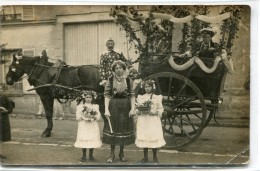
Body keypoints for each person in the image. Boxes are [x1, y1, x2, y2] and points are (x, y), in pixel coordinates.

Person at [103, 60, 135, 163]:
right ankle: (112, 153)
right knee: (113, 128)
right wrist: (106, 109)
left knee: (122, 129)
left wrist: (133, 108)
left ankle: (121, 153)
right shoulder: (111, 80)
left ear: (123, 69)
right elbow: (107, 95)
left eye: (120, 68)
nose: (118, 70)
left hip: (125, 106)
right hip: (114, 106)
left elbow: (132, 95)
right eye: (116, 68)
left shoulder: (128, 80)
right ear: (114, 70)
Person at [135, 80, 166, 164]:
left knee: (153, 136)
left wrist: (155, 113)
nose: (147, 88)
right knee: (145, 137)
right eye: (145, 87)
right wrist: (139, 111)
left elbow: (161, 109)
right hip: (144, 119)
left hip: (153, 120)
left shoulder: (157, 97)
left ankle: (155, 156)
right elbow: (137, 109)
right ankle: (145, 157)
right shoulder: (141, 97)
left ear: (152, 87)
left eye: (149, 87)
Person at [74, 91, 102, 162]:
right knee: (84, 138)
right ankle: (83, 155)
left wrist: (92, 118)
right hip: (84, 125)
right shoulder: (80, 106)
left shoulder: (95, 106)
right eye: (87, 97)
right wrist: (84, 117)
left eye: (90, 97)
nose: (88, 99)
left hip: (92, 125)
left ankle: (91, 155)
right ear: (84, 98)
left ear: (92, 98)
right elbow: (78, 116)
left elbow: (98, 116)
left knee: (91, 138)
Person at [0, 85, 15, 160]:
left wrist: (6, 111)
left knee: (1, 137)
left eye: (1, 89)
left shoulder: (4, 98)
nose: (0, 90)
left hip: (3, 119)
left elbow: (10, 108)